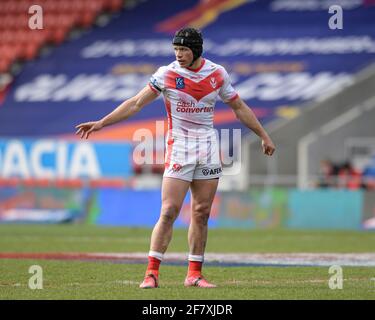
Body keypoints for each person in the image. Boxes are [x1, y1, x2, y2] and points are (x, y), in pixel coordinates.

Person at [75, 27, 275, 289]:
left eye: (184, 50)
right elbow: (136, 103)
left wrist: (263, 134)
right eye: (176, 49)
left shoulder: (217, 74)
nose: (179, 55)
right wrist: (102, 123)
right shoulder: (166, 74)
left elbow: (238, 107)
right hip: (179, 147)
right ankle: (151, 273)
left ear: (196, 50)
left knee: (201, 212)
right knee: (169, 211)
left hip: (207, 149)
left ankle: (194, 274)